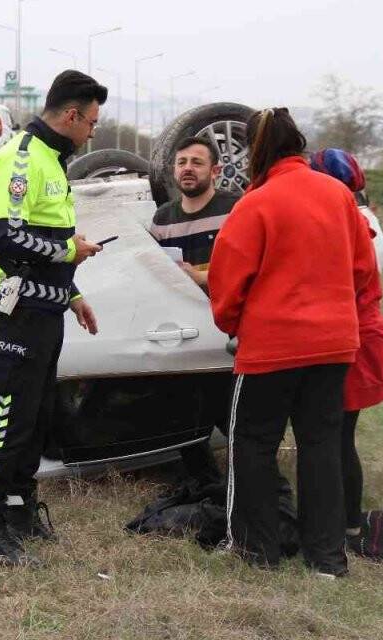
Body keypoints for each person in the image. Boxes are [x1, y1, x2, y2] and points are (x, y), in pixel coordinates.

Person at [209, 108, 377, 577]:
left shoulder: (256, 202)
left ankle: (256, 550)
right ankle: (327, 559)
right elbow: (364, 270)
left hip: (270, 349)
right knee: (321, 447)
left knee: (252, 444)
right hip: (334, 344)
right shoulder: (339, 196)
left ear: (256, 150)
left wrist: (233, 323)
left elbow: (228, 280)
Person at [0, 70, 107, 566]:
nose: (93, 132)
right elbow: (4, 238)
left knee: (36, 417)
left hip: (46, 309)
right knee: (6, 419)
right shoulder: (20, 157)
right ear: (71, 115)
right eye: (91, 121)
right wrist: (70, 250)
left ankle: (20, 513)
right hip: (14, 313)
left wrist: (72, 294)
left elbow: (45, 242)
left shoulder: (54, 159)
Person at [309, 148, 383, 545]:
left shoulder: (358, 225)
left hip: (354, 337)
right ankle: (344, 520)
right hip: (354, 333)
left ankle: (348, 523)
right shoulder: (360, 218)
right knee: (337, 434)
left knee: (339, 434)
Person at [148, 135, 239, 489]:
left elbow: (245, 267)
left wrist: (197, 276)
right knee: (180, 410)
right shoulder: (162, 219)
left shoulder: (236, 209)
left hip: (227, 330)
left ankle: (246, 483)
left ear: (215, 170)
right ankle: (203, 485)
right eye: (182, 162)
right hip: (181, 333)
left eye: (197, 162)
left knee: (232, 413)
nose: (188, 169)